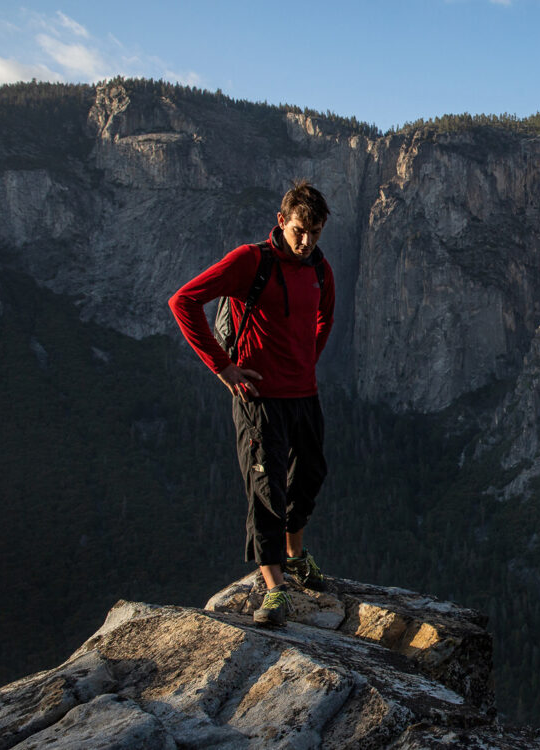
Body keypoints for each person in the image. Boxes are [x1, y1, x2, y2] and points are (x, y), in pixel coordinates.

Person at [169, 180, 336, 627]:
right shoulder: (250, 262)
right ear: (281, 221)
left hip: (304, 395)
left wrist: (305, 361)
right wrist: (223, 368)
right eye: (300, 230)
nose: (306, 241)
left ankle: (295, 555)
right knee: (267, 490)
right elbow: (183, 301)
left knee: (310, 476)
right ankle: (274, 588)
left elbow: (325, 317)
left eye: (316, 233)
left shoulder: (320, 269)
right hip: (257, 398)